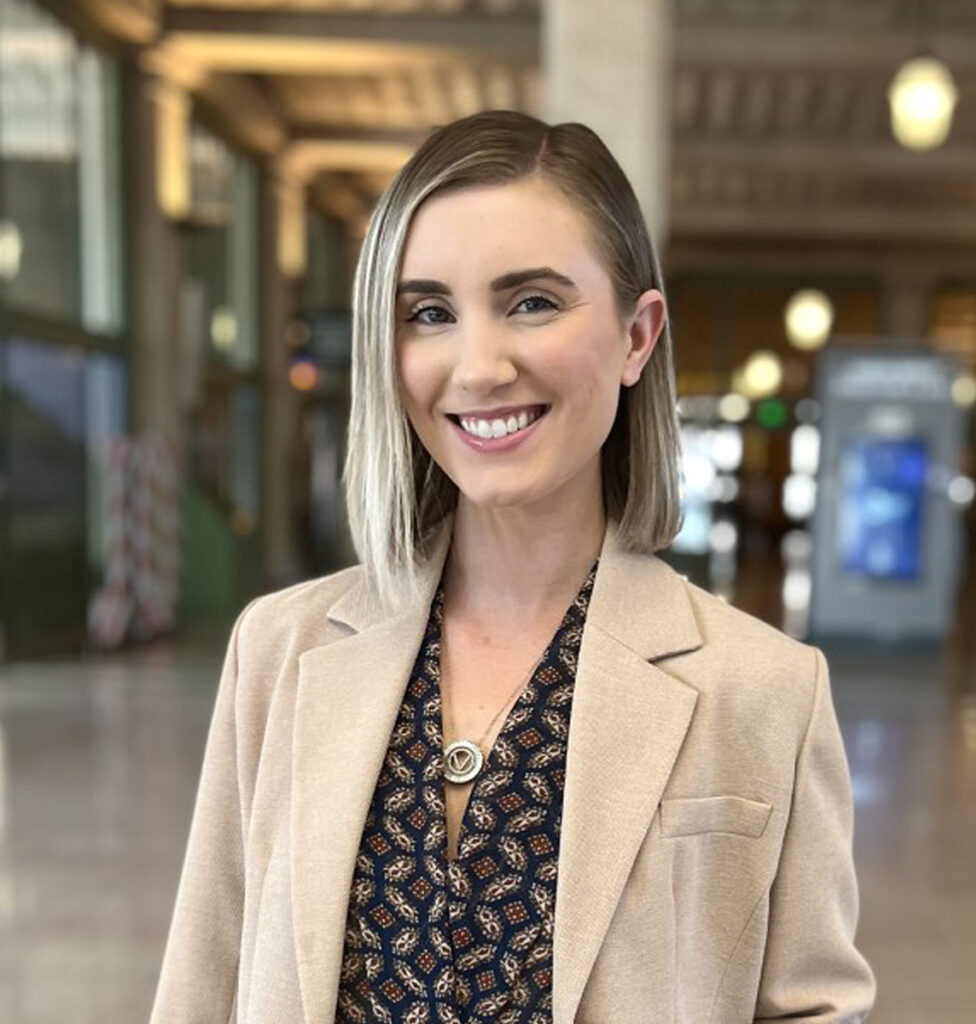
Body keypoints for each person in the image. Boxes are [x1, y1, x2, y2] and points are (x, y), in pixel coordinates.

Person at [150, 110, 876, 1024]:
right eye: (429, 314)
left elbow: (815, 1006)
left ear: (636, 335)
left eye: (532, 301)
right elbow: (202, 986)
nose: (478, 366)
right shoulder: (279, 654)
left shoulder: (767, 690)